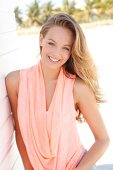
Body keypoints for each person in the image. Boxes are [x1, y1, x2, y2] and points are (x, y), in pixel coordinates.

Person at [5, 13, 110, 170]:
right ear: (41, 39)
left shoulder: (77, 87)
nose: (56, 53)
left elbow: (103, 140)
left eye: (65, 48)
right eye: (51, 43)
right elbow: (20, 132)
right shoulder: (15, 81)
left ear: (71, 52)